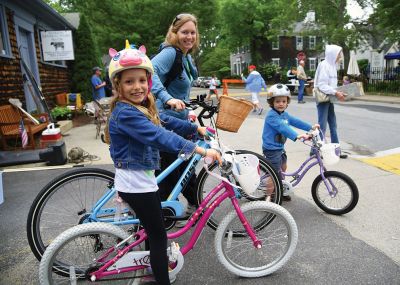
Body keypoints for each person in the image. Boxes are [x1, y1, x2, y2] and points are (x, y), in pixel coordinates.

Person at [107, 42, 221, 285]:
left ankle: (151, 269)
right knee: (159, 236)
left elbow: (165, 121)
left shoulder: (137, 107)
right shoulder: (126, 113)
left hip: (139, 180)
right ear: (118, 85)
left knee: (148, 229)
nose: (137, 86)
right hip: (137, 184)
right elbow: (159, 136)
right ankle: (160, 279)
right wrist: (196, 148)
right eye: (129, 82)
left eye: (141, 80)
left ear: (148, 81)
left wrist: (194, 127)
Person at [151, 13, 200, 216]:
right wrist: (166, 97)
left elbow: (183, 89)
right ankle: (160, 217)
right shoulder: (170, 52)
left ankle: (195, 205)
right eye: (184, 32)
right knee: (170, 170)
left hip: (180, 120)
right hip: (165, 120)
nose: (189, 36)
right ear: (174, 33)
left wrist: (188, 111)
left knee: (186, 164)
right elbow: (148, 71)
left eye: (192, 32)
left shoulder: (185, 56)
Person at [262, 83, 319, 201]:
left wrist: (311, 127)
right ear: (272, 102)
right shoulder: (272, 116)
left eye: (283, 101)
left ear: (287, 102)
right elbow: (283, 127)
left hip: (279, 148)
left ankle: (280, 190)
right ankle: (269, 196)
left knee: (283, 168)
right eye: (277, 101)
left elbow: (295, 121)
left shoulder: (284, 114)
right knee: (274, 173)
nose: (281, 104)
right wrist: (297, 135)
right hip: (271, 149)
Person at [314, 44, 347, 159]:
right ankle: (315, 151)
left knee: (333, 125)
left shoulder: (332, 66)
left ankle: (336, 151)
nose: (340, 57)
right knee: (322, 126)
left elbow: (332, 85)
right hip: (323, 99)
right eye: (338, 54)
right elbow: (322, 85)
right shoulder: (324, 65)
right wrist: (336, 93)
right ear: (333, 54)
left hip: (329, 98)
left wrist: (339, 92)